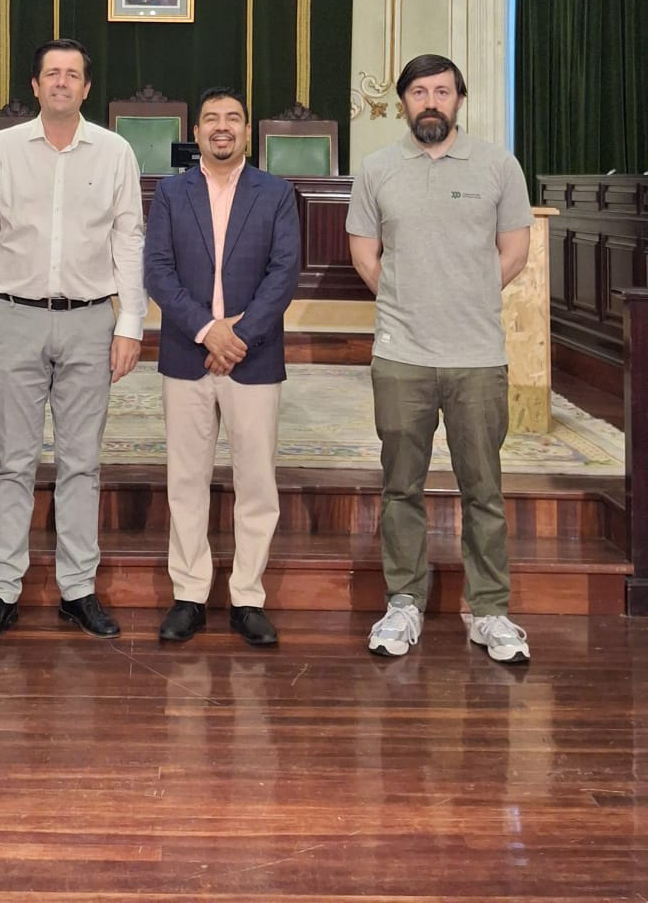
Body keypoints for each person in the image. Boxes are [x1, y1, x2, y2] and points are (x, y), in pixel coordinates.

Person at [0, 38, 146, 644]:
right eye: (51, 74)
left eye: (72, 74)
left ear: (86, 88)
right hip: (14, 319)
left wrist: (130, 324)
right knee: (13, 462)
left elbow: (129, 241)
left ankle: (78, 589)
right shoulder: (3, 150)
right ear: (35, 86)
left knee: (81, 462)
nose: (61, 82)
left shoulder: (115, 152)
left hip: (91, 322)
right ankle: (2, 590)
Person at [346, 53, 533, 664]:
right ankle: (404, 603)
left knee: (484, 490)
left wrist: (465, 297)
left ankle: (490, 611)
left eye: (443, 91)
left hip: (477, 355)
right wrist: (408, 301)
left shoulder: (498, 166)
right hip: (401, 355)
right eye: (419, 92)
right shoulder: (377, 169)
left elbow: (514, 252)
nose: (431, 101)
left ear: (460, 99)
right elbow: (365, 255)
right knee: (401, 486)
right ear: (403, 102)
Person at [144, 88, 300, 647]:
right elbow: (158, 271)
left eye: (233, 117)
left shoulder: (276, 193)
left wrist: (238, 335)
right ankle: (189, 594)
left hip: (253, 356)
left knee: (256, 480)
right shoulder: (171, 193)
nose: (222, 126)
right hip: (187, 353)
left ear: (247, 130)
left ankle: (247, 597)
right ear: (197, 131)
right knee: (186, 479)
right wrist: (208, 330)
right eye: (211, 118)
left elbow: (284, 272)